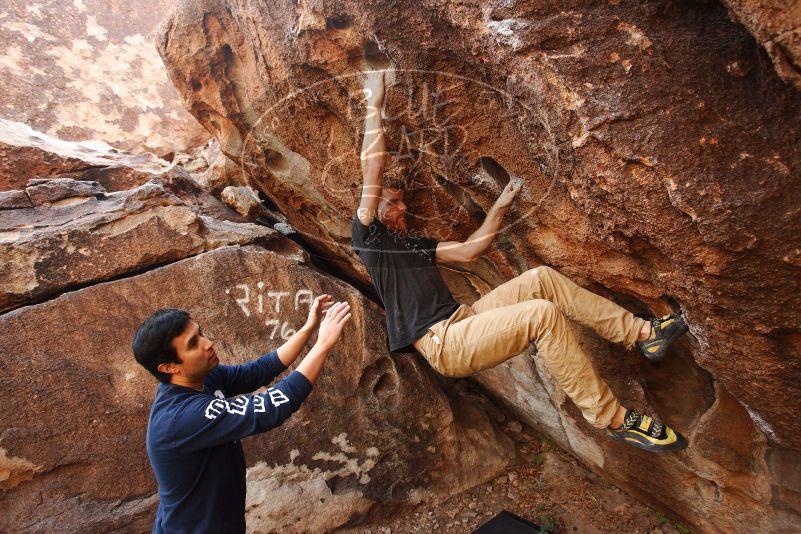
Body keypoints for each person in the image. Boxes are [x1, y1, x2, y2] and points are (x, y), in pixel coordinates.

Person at [352, 69, 689, 453]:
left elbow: (468, 250)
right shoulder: (369, 239)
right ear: (373, 207)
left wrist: (500, 204)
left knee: (541, 279)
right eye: (392, 202)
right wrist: (373, 102)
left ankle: (644, 334)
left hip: (464, 319)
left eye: (401, 199)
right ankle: (611, 418)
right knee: (540, 314)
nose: (403, 206)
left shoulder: (410, 244)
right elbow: (373, 169)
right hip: (443, 342)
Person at [132, 295, 351, 533]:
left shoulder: (201, 379)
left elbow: (258, 371)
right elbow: (270, 407)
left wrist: (310, 327)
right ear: (169, 368)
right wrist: (322, 345)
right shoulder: (182, 418)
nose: (208, 343)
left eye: (201, 333)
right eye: (193, 343)